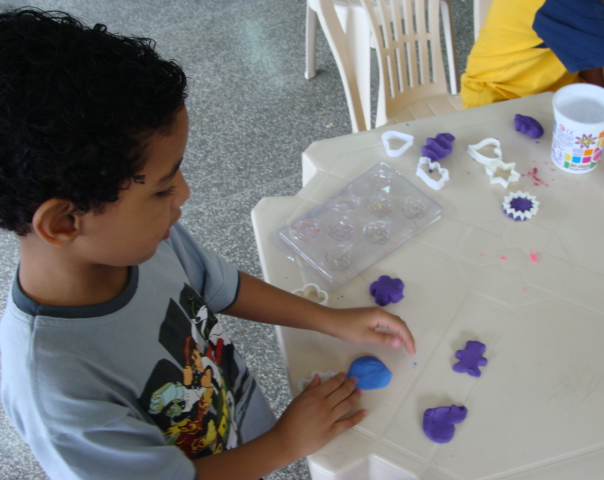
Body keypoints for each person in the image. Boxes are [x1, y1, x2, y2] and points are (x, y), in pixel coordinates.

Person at [0, 8, 416, 480]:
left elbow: (220, 286)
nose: (185, 194)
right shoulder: (55, 388)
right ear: (63, 222)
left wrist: (331, 321)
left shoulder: (142, 241)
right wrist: (285, 443)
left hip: (233, 438)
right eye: (161, 188)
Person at [461, 0, 604, 109]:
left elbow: (587, 42)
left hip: (558, 92)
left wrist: (598, 101)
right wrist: (601, 104)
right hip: (502, 101)